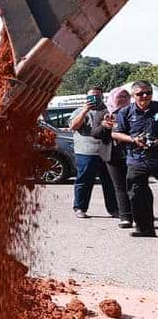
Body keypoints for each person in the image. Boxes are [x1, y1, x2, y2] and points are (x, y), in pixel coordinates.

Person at [112, 80, 158, 237]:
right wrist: (133, 139)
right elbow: (115, 133)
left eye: (148, 92)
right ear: (133, 96)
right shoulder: (125, 112)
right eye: (140, 93)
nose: (145, 96)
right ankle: (145, 229)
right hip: (137, 159)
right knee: (137, 193)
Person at [67, 86, 118, 219]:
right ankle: (80, 208)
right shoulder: (79, 111)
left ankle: (114, 209)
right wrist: (85, 110)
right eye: (92, 96)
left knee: (110, 182)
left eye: (98, 96)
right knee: (83, 181)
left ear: (102, 97)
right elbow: (73, 126)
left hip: (106, 151)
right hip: (86, 152)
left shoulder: (108, 110)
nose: (95, 98)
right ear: (87, 97)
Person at [97, 87, 134, 228]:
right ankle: (125, 217)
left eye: (126, 96)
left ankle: (139, 214)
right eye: (120, 96)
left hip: (132, 154)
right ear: (113, 97)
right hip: (112, 155)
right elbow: (95, 133)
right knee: (120, 187)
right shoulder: (104, 113)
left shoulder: (133, 112)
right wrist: (105, 126)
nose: (123, 99)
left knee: (135, 185)